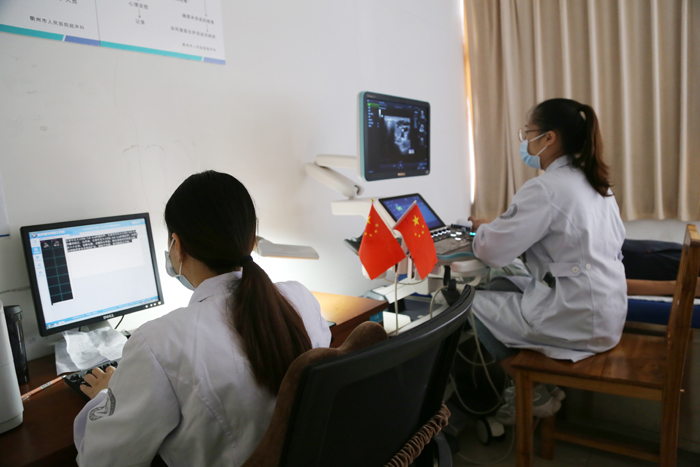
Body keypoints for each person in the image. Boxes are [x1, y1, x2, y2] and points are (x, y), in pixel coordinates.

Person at [73, 171, 332, 466]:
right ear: (251, 239)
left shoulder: (158, 343)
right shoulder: (299, 298)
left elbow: (102, 461)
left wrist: (107, 396)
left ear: (177, 245)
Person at [468, 98, 627, 424]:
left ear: (549, 138)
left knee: (465, 305)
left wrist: (482, 230)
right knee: (501, 284)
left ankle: (530, 390)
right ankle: (540, 384)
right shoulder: (597, 184)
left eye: (528, 132)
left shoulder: (546, 188)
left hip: (574, 318)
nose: (525, 141)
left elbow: (489, 251)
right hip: (606, 312)